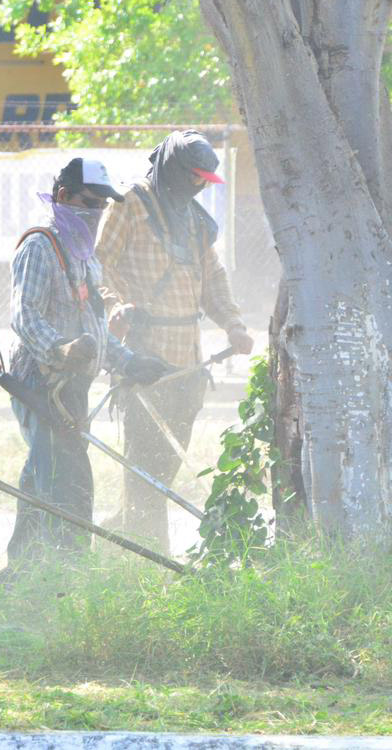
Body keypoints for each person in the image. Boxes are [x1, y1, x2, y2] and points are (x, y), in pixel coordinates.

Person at [0, 158, 169, 584]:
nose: (96, 214)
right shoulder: (40, 247)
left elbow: (94, 326)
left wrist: (128, 361)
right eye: (89, 203)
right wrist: (60, 347)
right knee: (66, 483)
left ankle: (20, 577)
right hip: (41, 381)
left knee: (42, 479)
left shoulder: (85, 256)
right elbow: (24, 315)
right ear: (63, 197)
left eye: (102, 207)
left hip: (72, 385)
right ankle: (66, 579)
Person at [96, 130, 254, 554]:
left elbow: (212, 277)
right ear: (173, 170)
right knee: (143, 468)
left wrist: (233, 324)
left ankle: (115, 544)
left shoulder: (193, 218)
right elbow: (99, 264)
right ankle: (152, 559)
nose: (198, 185)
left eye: (205, 180)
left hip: (190, 365)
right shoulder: (128, 203)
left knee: (162, 470)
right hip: (145, 360)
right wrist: (115, 307)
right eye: (193, 176)